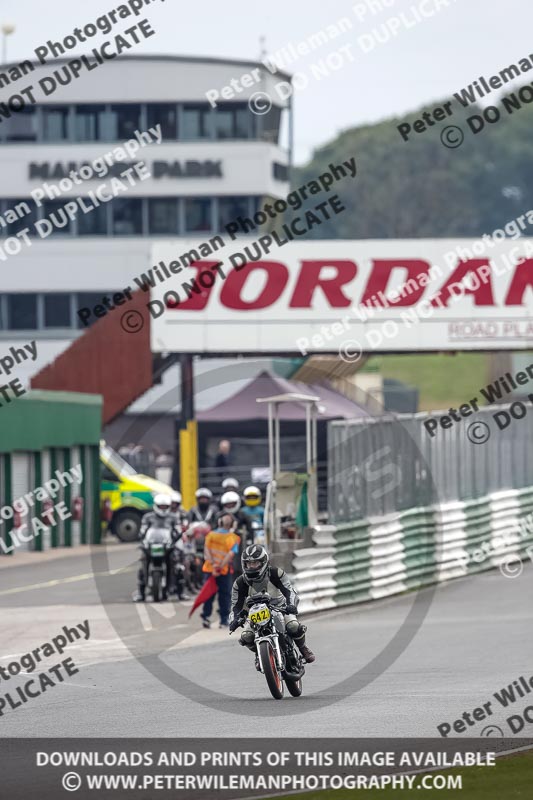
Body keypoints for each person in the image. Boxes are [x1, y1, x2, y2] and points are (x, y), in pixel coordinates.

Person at [229, 545, 315, 664]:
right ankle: (259, 654)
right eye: (248, 563)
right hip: (254, 613)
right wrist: (235, 619)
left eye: (255, 563)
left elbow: (289, 591)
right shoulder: (239, 583)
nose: (251, 566)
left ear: (263, 562)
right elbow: (235, 605)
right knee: (246, 637)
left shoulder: (276, 573)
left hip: (280, 608)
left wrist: (291, 605)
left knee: (293, 626)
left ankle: (303, 648)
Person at [134, 494, 178, 602]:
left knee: (175, 562)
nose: (163, 509)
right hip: (151, 544)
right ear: (156, 506)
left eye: (165, 506)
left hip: (167, 545)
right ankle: (141, 593)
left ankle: (177, 589)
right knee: (143, 563)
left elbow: (177, 529)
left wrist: (177, 535)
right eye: (161, 506)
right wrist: (141, 535)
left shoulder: (173, 517)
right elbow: (143, 529)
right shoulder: (148, 517)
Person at [200, 513, 241, 629]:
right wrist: (218, 566)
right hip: (220, 570)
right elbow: (229, 554)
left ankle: (210, 617)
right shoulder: (232, 537)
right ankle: (221, 619)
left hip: (213, 570)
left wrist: (215, 566)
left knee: (213, 594)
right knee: (222, 595)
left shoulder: (213, 535)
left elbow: (207, 550)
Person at [218, 490, 254, 579]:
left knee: (238, 564)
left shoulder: (242, 514)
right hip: (223, 544)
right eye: (228, 504)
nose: (230, 506)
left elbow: (250, 529)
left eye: (232, 504)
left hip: (239, 543)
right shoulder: (220, 515)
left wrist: (249, 538)